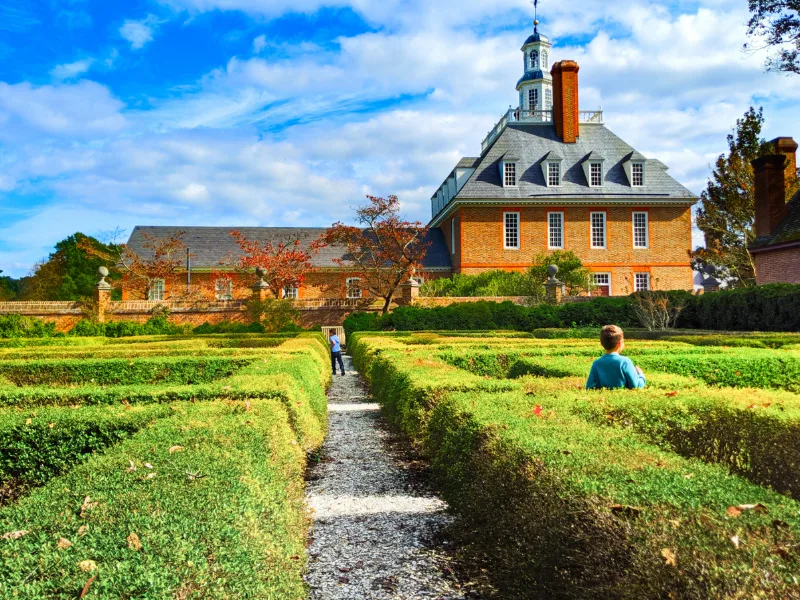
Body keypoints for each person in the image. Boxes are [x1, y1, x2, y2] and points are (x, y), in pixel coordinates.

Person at [586, 325, 646, 390]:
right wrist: (641, 375)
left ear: (601, 343)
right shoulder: (625, 362)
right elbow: (636, 386)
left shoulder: (596, 363)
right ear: (619, 344)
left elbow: (589, 387)